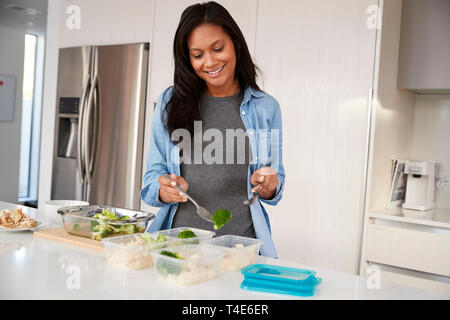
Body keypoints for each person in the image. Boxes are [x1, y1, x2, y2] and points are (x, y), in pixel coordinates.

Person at [140, 1, 285, 258]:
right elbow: (152, 177)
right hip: (178, 248)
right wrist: (164, 189)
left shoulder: (265, 108)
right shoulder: (169, 102)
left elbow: (275, 184)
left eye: (218, 48)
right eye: (198, 55)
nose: (210, 62)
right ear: (188, 58)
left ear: (235, 44)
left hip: (242, 249)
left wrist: (268, 184)